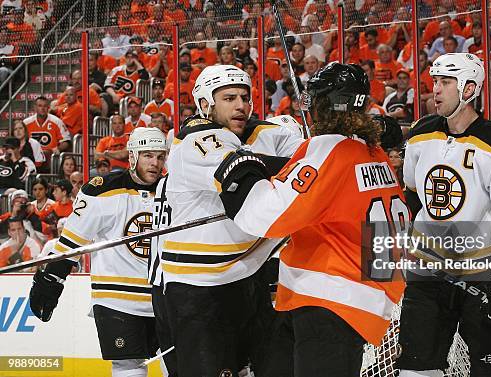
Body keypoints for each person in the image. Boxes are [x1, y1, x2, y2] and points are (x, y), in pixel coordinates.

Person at [214, 62, 406, 376]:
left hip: (331, 298)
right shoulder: (373, 153)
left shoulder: (329, 149)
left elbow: (268, 215)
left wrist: (242, 173)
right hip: (347, 294)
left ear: (325, 107)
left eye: (314, 102)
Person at [397, 53, 491, 377]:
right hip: (429, 274)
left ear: (470, 88)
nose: (436, 90)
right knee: (414, 370)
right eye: (435, 82)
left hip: (484, 275)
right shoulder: (420, 135)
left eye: (446, 83)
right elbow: (414, 194)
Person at [159, 64, 303, 377]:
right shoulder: (195, 139)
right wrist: (311, 165)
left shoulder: (253, 133)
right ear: (205, 104)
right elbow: (241, 169)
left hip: (247, 279)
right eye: (229, 98)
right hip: (200, 289)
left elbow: (291, 151)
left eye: (244, 97)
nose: (241, 105)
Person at [28, 127, 167, 377]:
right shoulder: (102, 190)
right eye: (147, 155)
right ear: (133, 156)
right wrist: (52, 279)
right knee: (128, 367)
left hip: (164, 298)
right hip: (117, 299)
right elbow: (73, 240)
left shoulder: (173, 190)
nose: (155, 163)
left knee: (178, 365)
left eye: (159, 156)